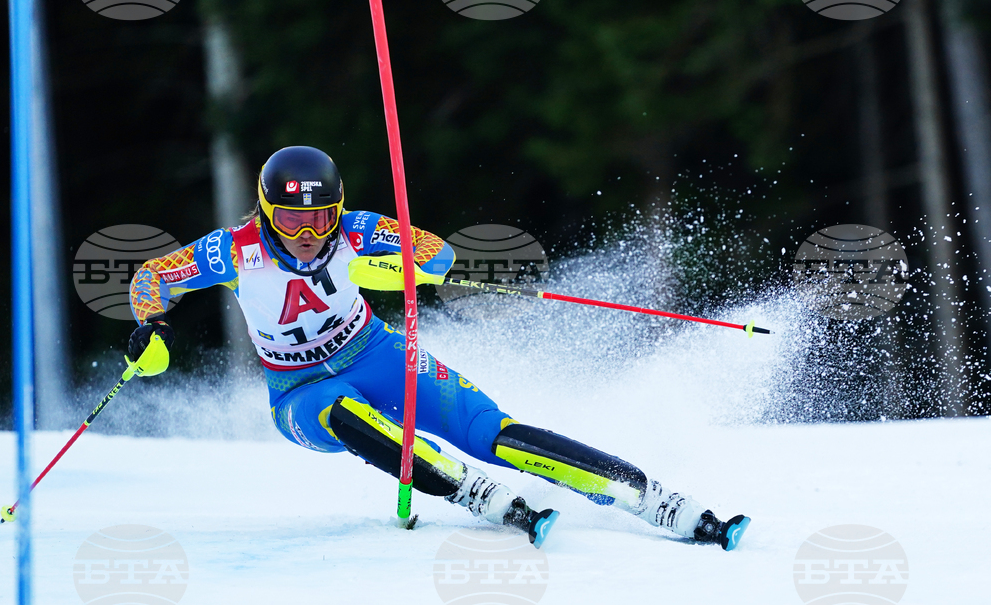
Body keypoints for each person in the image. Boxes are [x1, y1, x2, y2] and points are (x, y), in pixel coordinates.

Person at [127, 146, 750, 550]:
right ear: (266, 214)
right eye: (292, 222)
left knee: (492, 431)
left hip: (374, 351)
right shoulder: (232, 251)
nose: (310, 236)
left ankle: (651, 498)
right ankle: (466, 489)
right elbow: (151, 277)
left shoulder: (354, 229)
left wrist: (403, 260)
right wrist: (151, 327)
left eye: (322, 221)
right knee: (344, 413)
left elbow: (436, 251)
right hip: (299, 392)